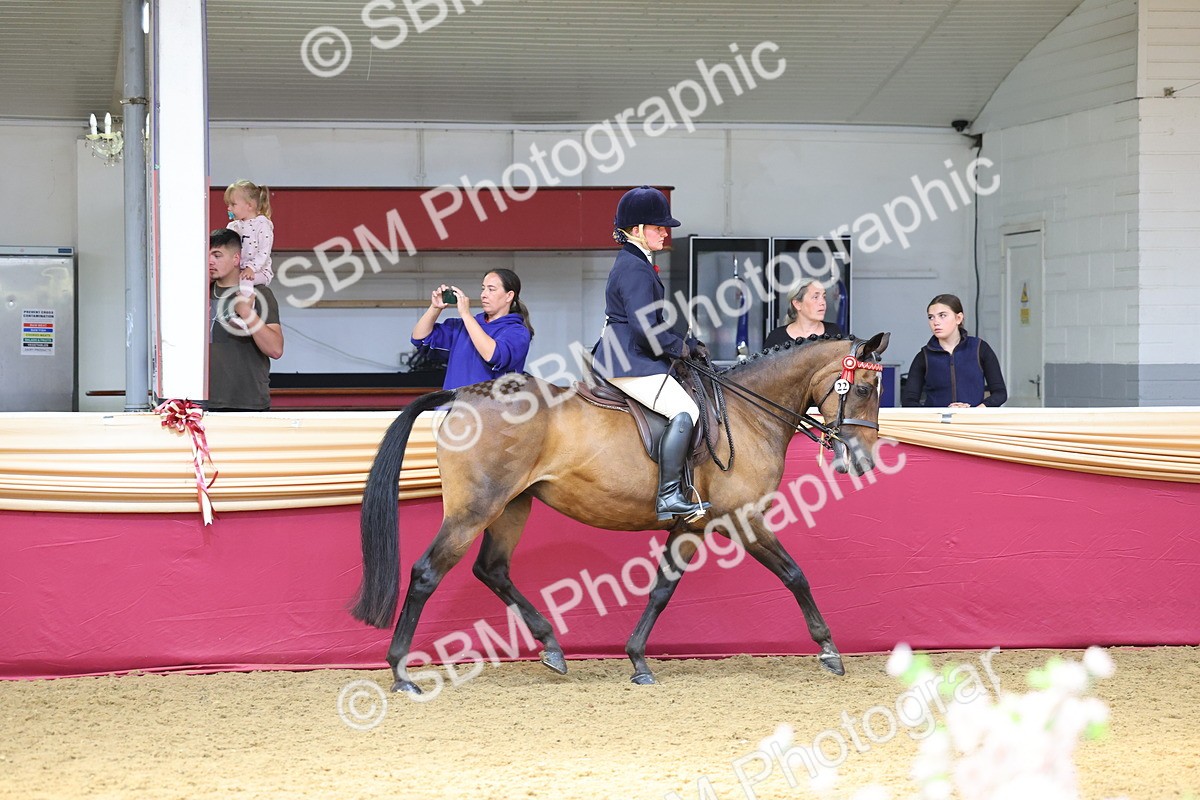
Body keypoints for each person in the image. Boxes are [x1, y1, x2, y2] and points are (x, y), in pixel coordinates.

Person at [593, 185, 710, 522]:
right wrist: (681, 348)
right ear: (637, 231)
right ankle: (669, 495)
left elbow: (651, 321)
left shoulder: (635, 262)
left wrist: (683, 342)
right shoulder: (634, 268)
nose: (665, 234)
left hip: (627, 351)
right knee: (684, 410)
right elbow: (644, 329)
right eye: (659, 228)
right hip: (627, 357)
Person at [411, 268, 533, 390]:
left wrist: (466, 314)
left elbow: (492, 355)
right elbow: (419, 338)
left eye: (491, 289)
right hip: (455, 407)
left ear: (509, 296)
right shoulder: (461, 327)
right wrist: (435, 308)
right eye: (483, 289)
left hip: (493, 408)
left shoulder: (517, 332)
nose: (483, 295)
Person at [208, 228, 284, 410]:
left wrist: (247, 313)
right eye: (208, 255)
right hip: (203, 403)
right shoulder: (201, 293)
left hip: (249, 402)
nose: (210, 261)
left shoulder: (259, 294)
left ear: (236, 259)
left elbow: (275, 350)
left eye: (217, 255)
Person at [901, 293, 1007, 408]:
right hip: (937, 424)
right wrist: (935, 414)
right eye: (931, 317)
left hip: (972, 422)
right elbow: (909, 400)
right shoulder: (924, 356)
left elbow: (1000, 393)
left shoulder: (979, 348)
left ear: (958, 318)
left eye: (942, 315)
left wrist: (977, 410)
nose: (935, 322)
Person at [224, 179, 275, 297]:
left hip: (259, 271)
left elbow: (264, 252)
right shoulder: (233, 226)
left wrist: (251, 268)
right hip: (239, 269)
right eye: (228, 205)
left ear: (249, 206)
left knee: (245, 281)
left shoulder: (262, 225)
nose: (229, 209)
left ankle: (247, 310)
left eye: (233, 204)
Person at [763, 279, 845, 347]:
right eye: (815, 297)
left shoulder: (833, 332)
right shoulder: (776, 337)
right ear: (797, 304)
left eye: (824, 297)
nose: (822, 302)